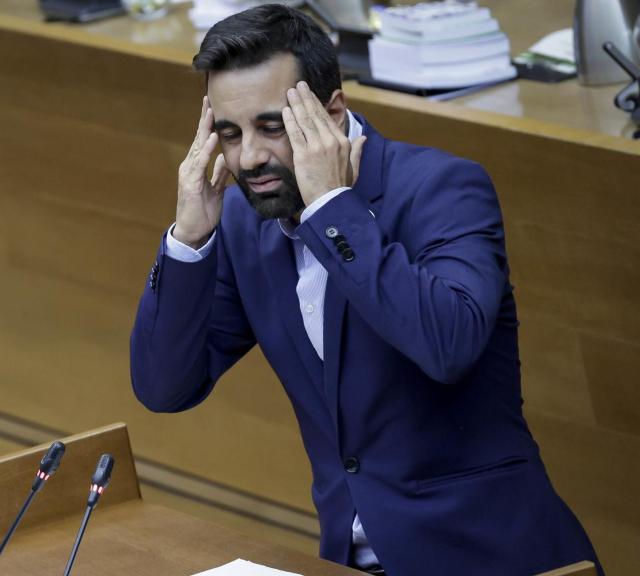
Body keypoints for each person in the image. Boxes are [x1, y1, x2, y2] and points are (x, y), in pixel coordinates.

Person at [129, 5, 601, 575]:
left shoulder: (443, 190)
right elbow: (164, 386)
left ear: (332, 111)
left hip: (488, 557)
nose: (249, 157)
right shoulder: (242, 222)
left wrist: (333, 210)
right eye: (230, 135)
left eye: (272, 127)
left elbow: (447, 345)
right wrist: (188, 238)